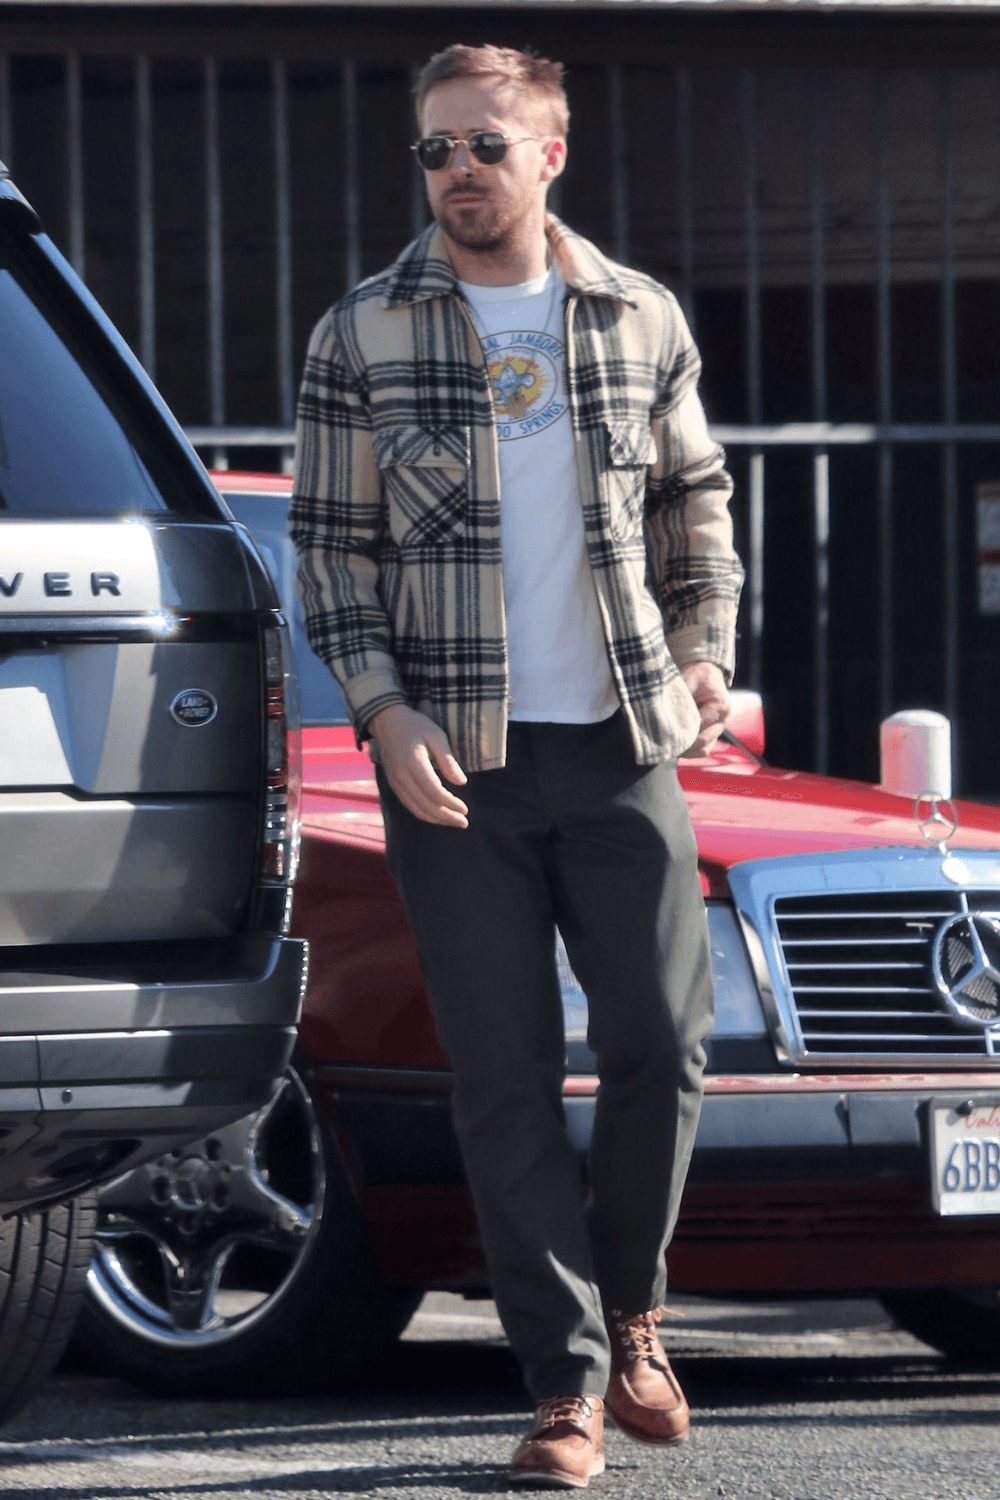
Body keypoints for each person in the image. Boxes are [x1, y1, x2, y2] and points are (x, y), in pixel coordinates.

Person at [290, 43, 743, 1490]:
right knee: (500, 1078)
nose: (457, 172)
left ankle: (638, 1311)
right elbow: (330, 554)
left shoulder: (635, 315)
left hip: (622, 747)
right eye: (434, 151)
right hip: (458, 771)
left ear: (551, 155)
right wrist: (382, 710)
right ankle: (565, 1388)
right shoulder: (360, 332)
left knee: (663, 1053)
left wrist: (706, 655)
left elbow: (697, 502)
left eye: (486, 145)